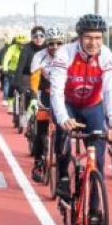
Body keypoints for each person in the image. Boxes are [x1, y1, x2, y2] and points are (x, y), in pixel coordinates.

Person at [48, 14, 112, 225]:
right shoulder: (65, 54)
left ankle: (94, 212)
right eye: (88, 37)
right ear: (79, 37)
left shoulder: (107, 57)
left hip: (92, 106)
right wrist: (63, 119)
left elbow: (110, 92)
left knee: (98, 160)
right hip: (68, 104)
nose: (93, 43)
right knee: (63, 134)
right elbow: (57, 92)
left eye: (98, 38)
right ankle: (63, 178)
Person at [27, 26, 65, 182]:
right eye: (51, 44)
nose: (54, 47)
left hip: (62, 95)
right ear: (46, 44)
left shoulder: (68, 56)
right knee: (41, 130)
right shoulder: (39, 56)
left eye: (58, 43)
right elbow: (35, 79)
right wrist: (34, 98)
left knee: (64, 131)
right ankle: (38, 163)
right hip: (44, 94)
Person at [14, 26, 46, 114]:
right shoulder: (26, 49)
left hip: (44, 76)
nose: (38, 38)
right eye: (35, 36)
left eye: (41, 36)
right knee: (26, 91)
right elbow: (20, 67)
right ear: (32, 38)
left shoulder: (49, 47)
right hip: (28, 75)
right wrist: (18, 83)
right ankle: (26, 113)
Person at [0, 34, 26, 107]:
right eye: (20, 44)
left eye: (23, 44)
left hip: (23, 70)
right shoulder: (12, 48)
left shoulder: (27, 49)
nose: (22, 46)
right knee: (11, 85)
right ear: (17, 43)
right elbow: (7, 58)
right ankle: (10, 102)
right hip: (13, 70)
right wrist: (5, 68)